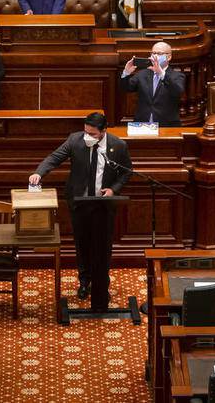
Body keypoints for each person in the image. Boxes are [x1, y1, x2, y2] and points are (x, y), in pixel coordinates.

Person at [28, 112, 132, 312]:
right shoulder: (75, 140)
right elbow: (54, 157)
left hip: (103, 204)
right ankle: (84, 281)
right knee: (82, 244)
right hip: (79, 203)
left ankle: (102, 285)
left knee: (103, 247)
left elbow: (126, 171)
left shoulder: (118, 146)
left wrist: (113, 189)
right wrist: (38, 172)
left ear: (103, 132)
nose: (87, 136)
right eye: (86, 131)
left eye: (92, 134)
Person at [120, 41, 186, 126]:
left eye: (159, 53)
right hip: (142, 124)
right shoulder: (142, 74)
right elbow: (126, 88)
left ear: (169, 57)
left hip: (166, 125)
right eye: (153, 53)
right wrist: (126, 73)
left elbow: (178, 91)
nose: (155, 56)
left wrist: (161, 74)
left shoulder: (177, 76)